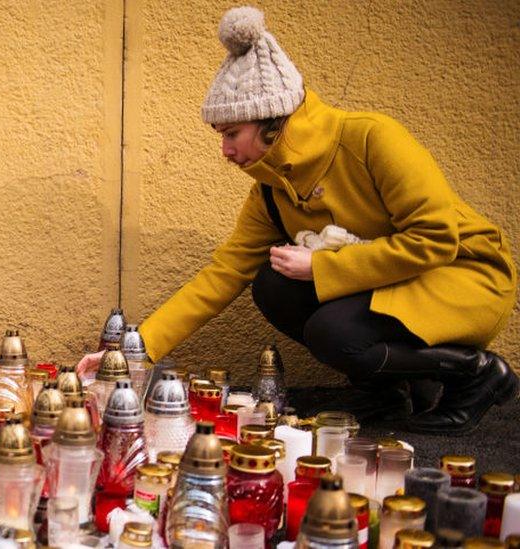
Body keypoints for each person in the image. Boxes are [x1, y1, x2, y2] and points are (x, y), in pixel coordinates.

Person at [82, 7, 517, 434]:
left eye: (232, 134)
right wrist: (136, 353)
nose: (226, 151)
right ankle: (388, 391)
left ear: (272, 120)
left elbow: (437, 239)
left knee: (334, 331)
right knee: (274, 286)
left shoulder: (371, 138)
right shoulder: (271, 191)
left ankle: (477, 373)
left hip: (463, 276)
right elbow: (223, 273)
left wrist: (322, 268)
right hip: (397, 285)